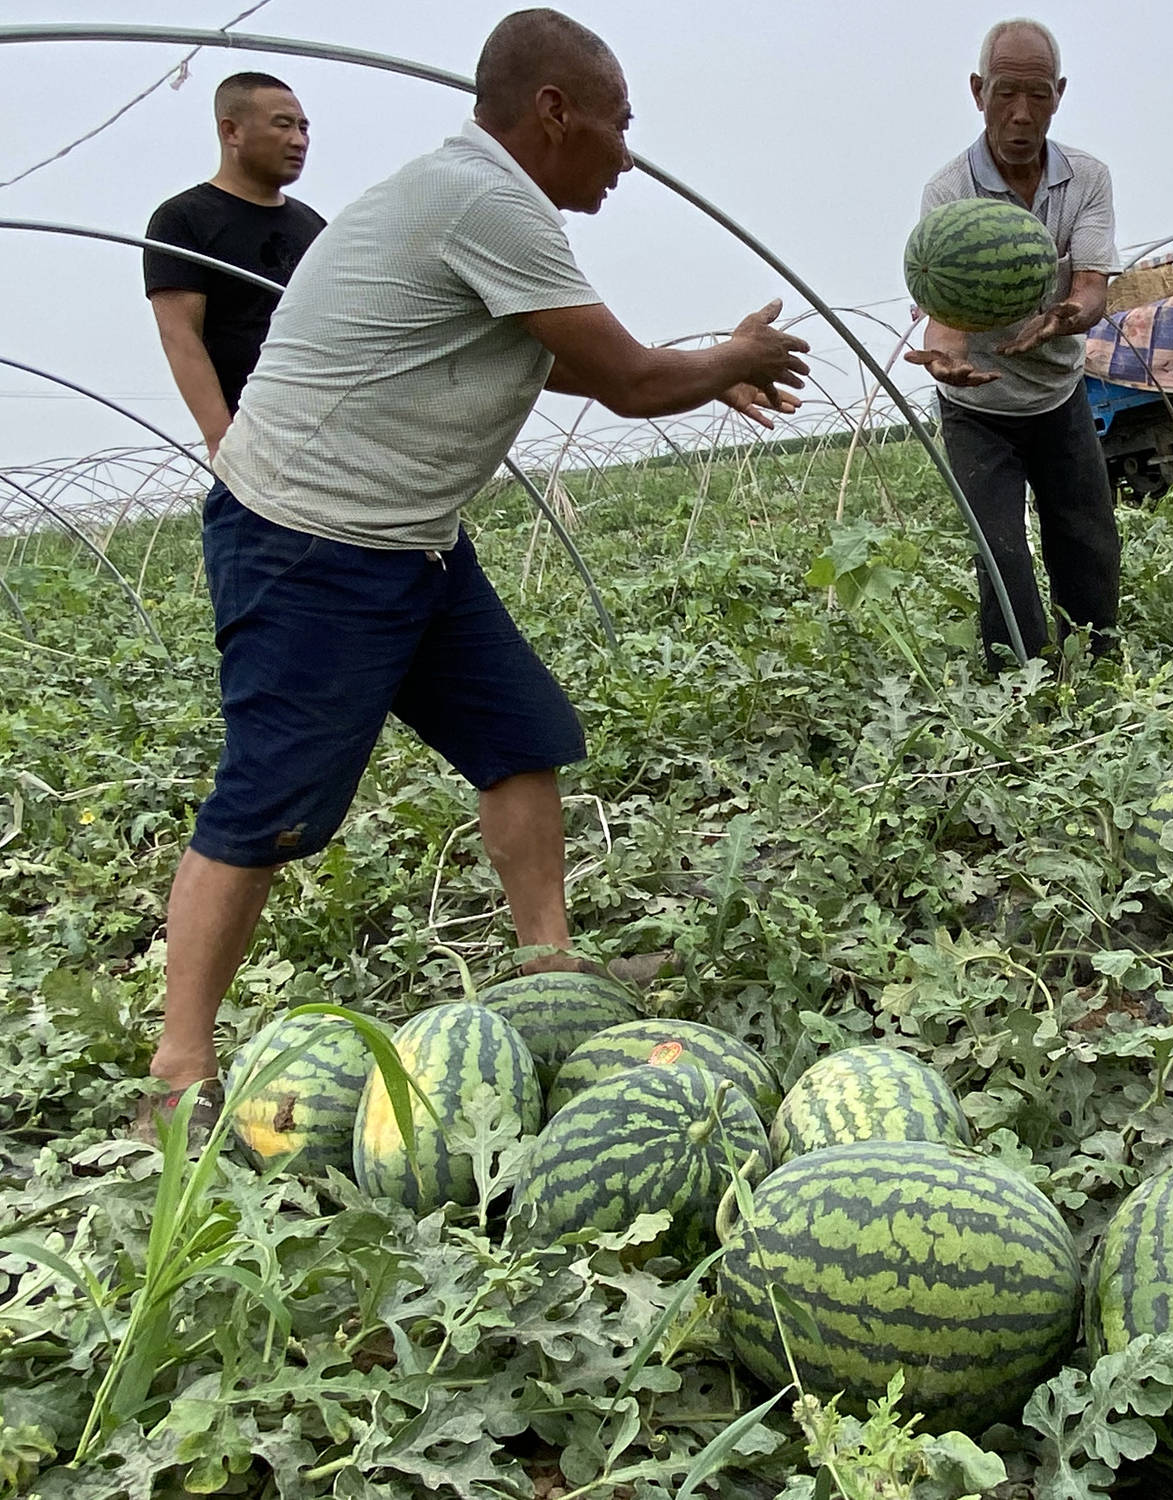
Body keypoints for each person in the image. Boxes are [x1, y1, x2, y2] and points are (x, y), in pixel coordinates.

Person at [137, 7, 810, 1141]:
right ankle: (178, 1068)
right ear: (553, 112)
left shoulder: (482, 205)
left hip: (411, 539)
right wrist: (723, 361)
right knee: (271, 806)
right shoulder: (486, 196)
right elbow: (632, 380)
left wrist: (702, 379)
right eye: (617, 124)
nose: (626, 153)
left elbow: (559, 359)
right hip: (311, 538)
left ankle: (548, 973)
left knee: (519, 735)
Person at [908, 17, 1120, 670]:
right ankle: (1020, 691)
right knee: (999, 551)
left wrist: (1062, 317)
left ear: (1059, 93)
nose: (1021, 115)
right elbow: (945, 315)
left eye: (1037, 95)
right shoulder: (948, 193)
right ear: (978, 92)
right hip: (976, 406)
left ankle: (1097, 666)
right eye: (1005, 94)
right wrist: (945, 354)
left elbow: (1091, 288)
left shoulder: (1086, 178)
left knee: (1087, 539)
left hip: (1057, 392)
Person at [143, 73, 326, 457]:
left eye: (303, 127)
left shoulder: (313, 226)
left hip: (329, 427)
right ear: (231, 131)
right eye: (283, 125)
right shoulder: (184, 219)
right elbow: (180, 334)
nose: (298, 140)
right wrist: (222, 439)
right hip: (255, 440)